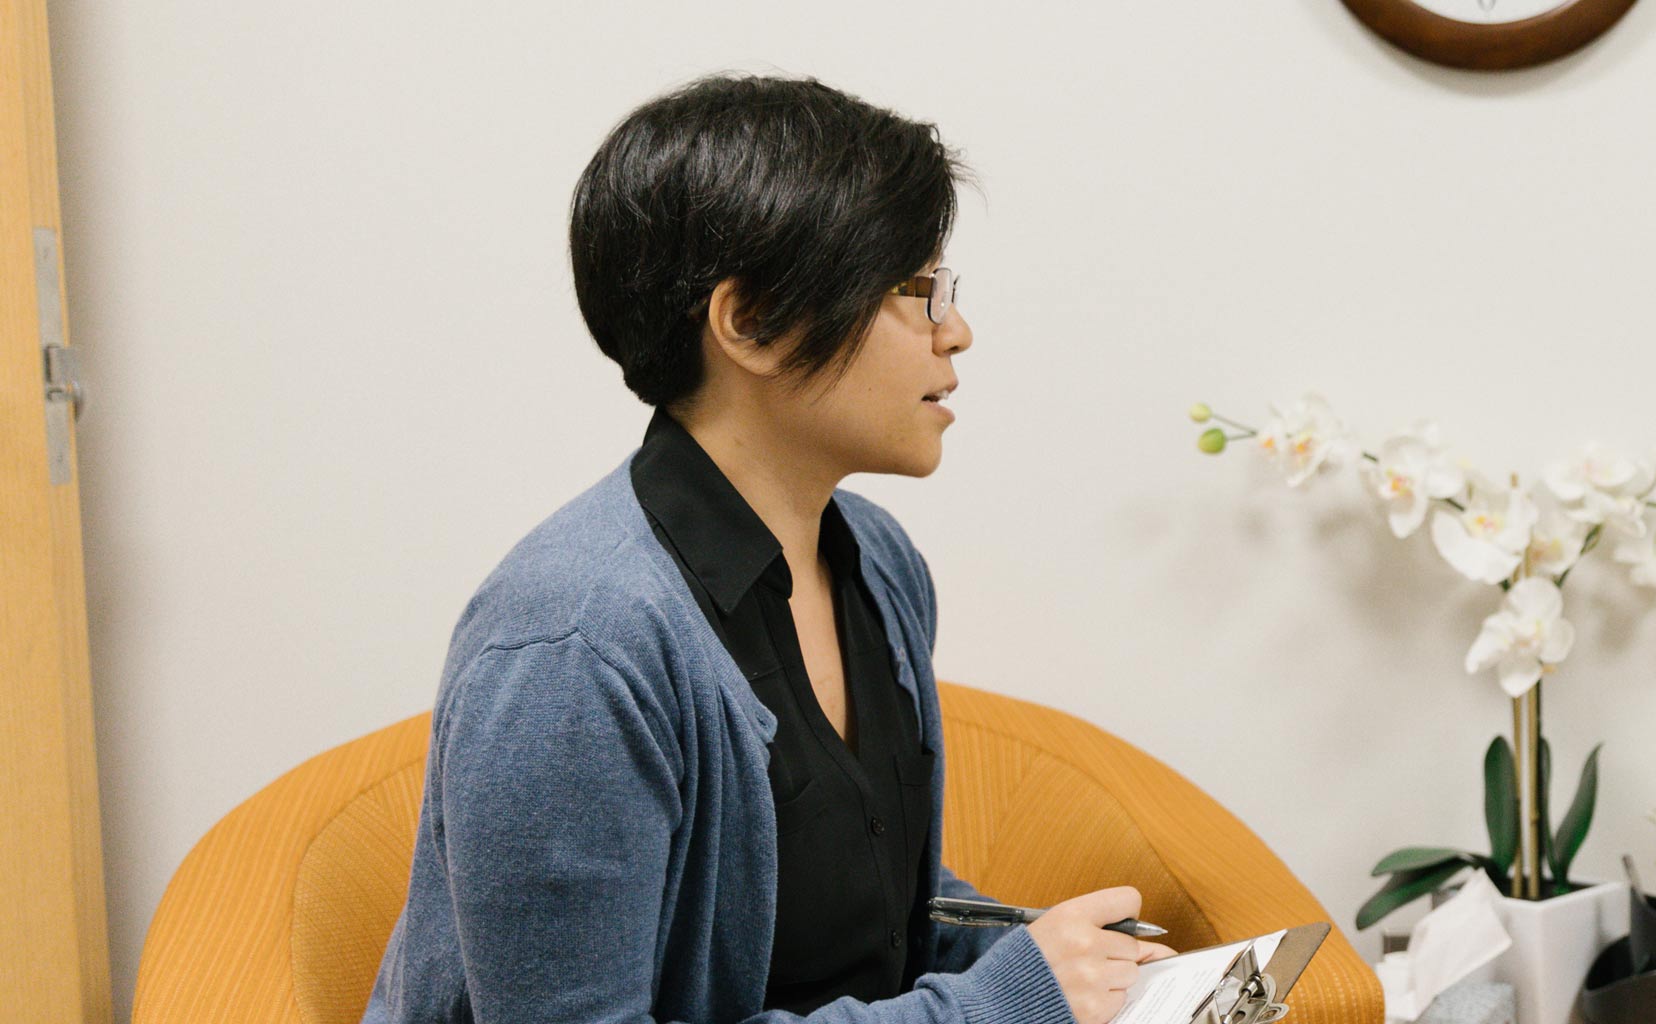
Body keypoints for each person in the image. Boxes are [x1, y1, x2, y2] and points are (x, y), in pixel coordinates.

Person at [365, 74, 1165, 1024]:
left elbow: (857, 918)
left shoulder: (878, 559)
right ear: (748, 323)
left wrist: (1073, 965)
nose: (957, 330)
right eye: (918, 290)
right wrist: (1003, 1004)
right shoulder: (571, 649)